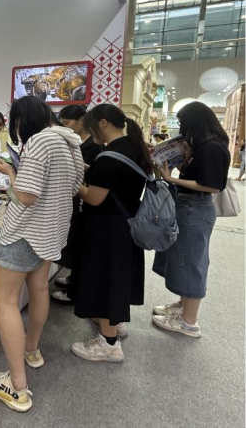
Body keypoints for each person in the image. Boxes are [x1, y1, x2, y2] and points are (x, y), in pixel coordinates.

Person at [0, 96, 84, 412]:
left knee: (7, 302)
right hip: (51, 232)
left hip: (25, 233)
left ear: (22, 119)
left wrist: (10, 172)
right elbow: (75, 187)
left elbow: (25, 196)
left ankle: (17, 387)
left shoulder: (39, 141)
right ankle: (31, 350)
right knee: (39, 289)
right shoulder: (72, 144)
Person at [69, 104, 152, 363]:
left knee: (105, 280)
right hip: (125, 224)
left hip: (107, 228)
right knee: (116, 279)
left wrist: (73, 181)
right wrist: (88, 170)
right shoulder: (134, 147)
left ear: (103, 123)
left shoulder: (110, 156)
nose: (89, 132)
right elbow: (116, 181)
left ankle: (109, 344)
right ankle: (114, 323)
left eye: (90, 126)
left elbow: (94, 197)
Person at [152, 101, 230, 338]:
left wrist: (171, 179)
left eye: (183, 122)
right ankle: (183, 307)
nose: (181, 127)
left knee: (192, 261)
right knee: (184, 258)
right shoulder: (201, 146)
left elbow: (212, 186)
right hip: (188, 205)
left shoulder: (212, 148)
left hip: (196, 207)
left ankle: (189, 322)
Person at [51, 104, 103, 305]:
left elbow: (89, 175)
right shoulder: (78, 142)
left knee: (79, 242)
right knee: (74, 241)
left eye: (67, 123)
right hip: (74, 197)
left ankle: (76, 288)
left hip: (84, 199)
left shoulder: (93, 146)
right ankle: (74, 280)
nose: (65, 127)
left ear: (82, 120)